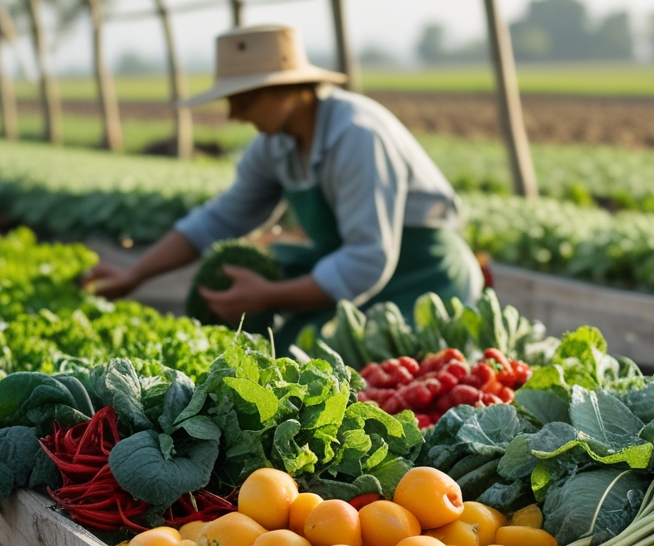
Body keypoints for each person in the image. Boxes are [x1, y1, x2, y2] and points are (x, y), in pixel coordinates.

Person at [81, 24, 483, 345]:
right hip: (357, 275)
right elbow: (219, 220)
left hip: (426, 281)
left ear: (288, 90)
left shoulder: (357, 136)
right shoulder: (274, 146)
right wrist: (135, 274)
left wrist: (269, 296)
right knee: (291, 346)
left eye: (245, 99)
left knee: (328, 361)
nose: (234, 114)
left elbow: (367, 259)